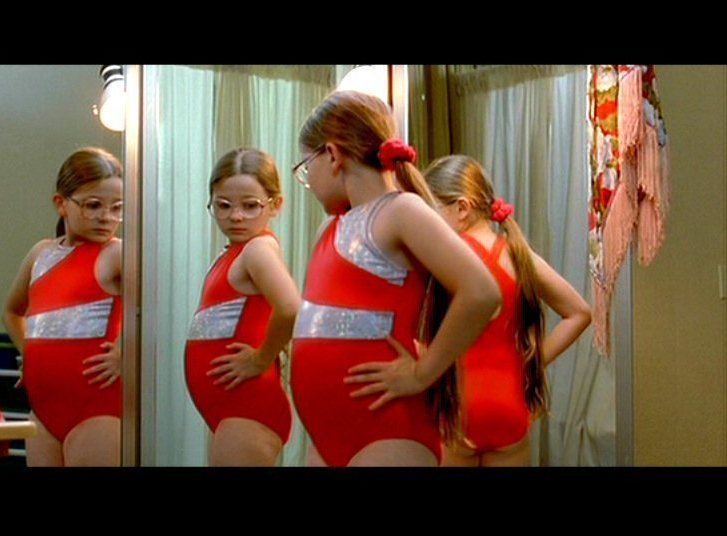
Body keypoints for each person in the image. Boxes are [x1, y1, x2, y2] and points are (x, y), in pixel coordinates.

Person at [290, 91, 501, 467]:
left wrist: (423, 372)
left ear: (333, 155)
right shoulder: (331, 227)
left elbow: (482, 292)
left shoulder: (400, 211)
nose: (308, 180)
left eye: (307, 167)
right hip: (324, 436)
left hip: (387, 429)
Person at [423, 155, 592, 467]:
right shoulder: (518, 255)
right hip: (510, 407)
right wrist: (532, 362)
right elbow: (579, 313)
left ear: (462, 208)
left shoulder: (447, 258)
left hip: (459, 409)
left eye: (431, 213)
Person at [3, 147, 124, 467]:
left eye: (117, 208)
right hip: (43, 409)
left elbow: (154, 309)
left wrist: (125, 350)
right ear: (61, 204)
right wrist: (28, 353)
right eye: (93, 206)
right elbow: (12, 312)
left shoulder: (118, 254)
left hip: (97, 407)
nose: (106, 217)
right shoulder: (41, 253)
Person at [185, 148, 301, 466]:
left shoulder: (258, 249)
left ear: (275, 205)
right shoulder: (235, 252)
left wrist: (261, 358)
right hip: (230, 407)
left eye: (250, 206)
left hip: (248, 405)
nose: (236, 216)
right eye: (224, 205)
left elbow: (291, 307)